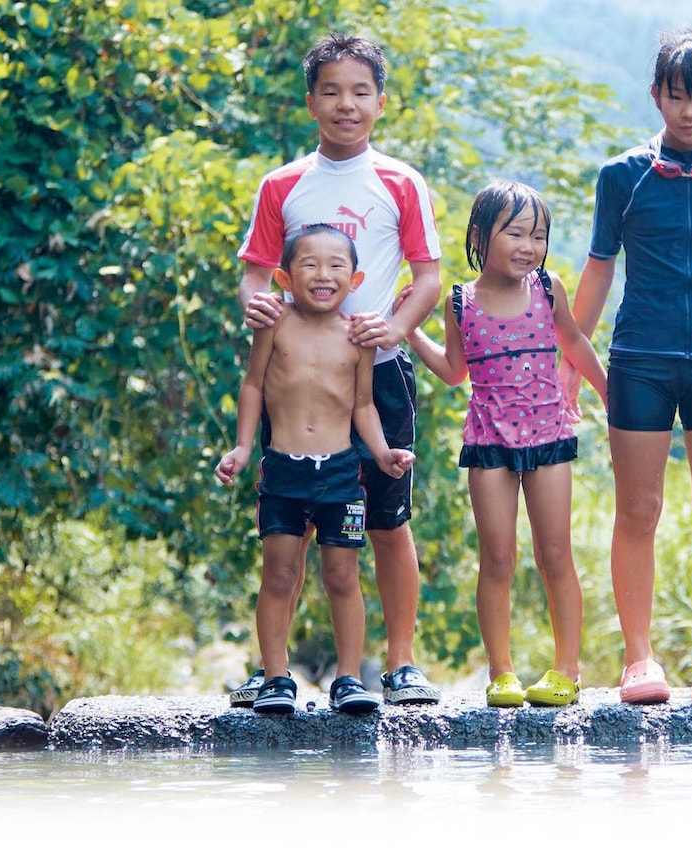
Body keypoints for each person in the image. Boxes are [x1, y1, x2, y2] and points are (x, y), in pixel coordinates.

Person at [230, 32, 444, 707]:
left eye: (359, 91)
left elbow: (428, 276)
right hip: (296, 379)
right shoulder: (283, 184)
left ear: (380, 102)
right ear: (311, 102)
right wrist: (256, 307)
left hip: (378, 374)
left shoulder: (401, 182)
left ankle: (400, 664)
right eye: (331, 91)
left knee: (387, 520)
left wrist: (397, 329)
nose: (345, 104)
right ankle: (273, 671)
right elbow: (255, 273)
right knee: (287, 526)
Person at [565, 29, 692, 705]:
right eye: (677, 97)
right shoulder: (621, 176)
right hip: (639, 360)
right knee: (638, 509)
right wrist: (570, 359)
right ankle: (638, 658)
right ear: (655, 96)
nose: (689, 111)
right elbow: (598, 270)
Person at [406, 181, 608, 707]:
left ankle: (567, 670)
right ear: (479, 236)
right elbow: (455, 371)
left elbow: (573, 341)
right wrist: (412, 333)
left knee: (555, 554)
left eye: (538, 236)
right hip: (489, 441)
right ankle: (501, 672)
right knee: (497, 558)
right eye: (515, 233)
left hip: (548, 437)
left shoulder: (547, 288)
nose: (528, 246)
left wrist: (608, 392)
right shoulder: (459, 301)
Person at [215, 225, 416, 714]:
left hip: (341, 476)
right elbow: (253, 385)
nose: (322, 274)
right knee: (279, 575)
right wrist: (242, 447)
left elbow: (364, 405)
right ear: (284, 277)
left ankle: (348, 678)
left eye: (335, 266)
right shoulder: (274, 323)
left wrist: (383, 454)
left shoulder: (358, 335)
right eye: (309, 264)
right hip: (283, 471)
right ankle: (275, 677)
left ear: (355, 279)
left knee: (343, 576)